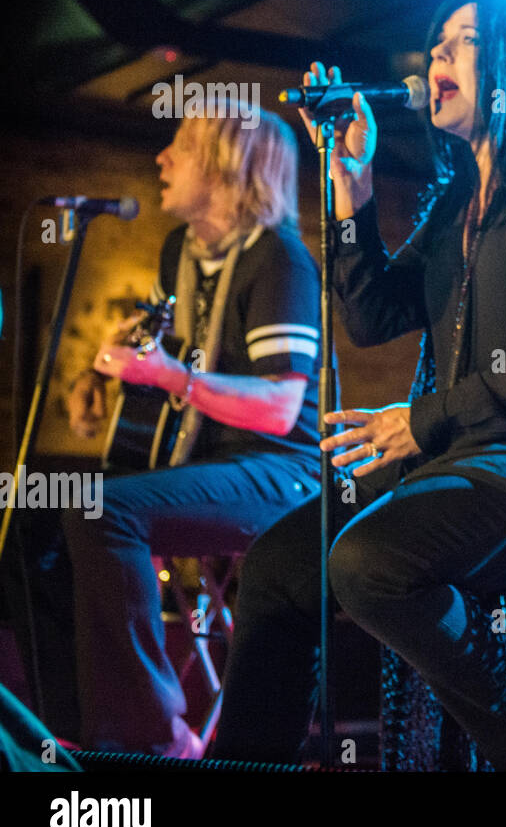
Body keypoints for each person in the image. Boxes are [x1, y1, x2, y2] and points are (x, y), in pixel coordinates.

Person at [211, 0, 506, 771]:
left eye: (464, 40)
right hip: (463, 453)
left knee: (369, 563)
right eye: (436, 43)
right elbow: (374, 314)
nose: (437, 57)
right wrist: (351, 187)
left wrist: (416, 423)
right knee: (279, 568)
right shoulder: (462, 196)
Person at [57, 111, 322, 757]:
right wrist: (114, 375)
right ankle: (72, 725)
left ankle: (151, 736)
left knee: (105, 511)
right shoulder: (179, 253)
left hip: (282, 473)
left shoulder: (279, 257)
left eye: (180, 146)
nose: (162, 159)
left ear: (227, 162)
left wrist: (172, 376)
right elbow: (168, 367)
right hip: (208, 463)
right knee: (42, 516)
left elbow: (281, 407)